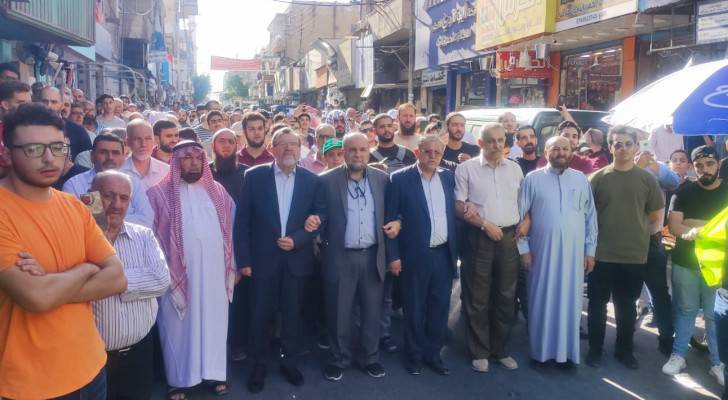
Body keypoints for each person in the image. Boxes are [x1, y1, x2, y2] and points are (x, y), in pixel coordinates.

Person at [0, 103, 126, 399]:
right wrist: (87, 268)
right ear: (7, 153)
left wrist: (50, 284)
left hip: (91, 369)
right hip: (30, 385)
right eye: (33, 149)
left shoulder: (73, 205)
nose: (49, 158)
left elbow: (117, 278)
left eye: (57, 147)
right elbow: (37, 298)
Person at [235, 127, 323, 394]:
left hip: (297, 260)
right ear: (272, 148)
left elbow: (319, 216)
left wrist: (298, 239)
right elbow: (242, 221)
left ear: (300, 148)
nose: (288, 149)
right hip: (262, 261)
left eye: (293, 144)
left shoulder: (312, 180)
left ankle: (289, 363)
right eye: (282, 144)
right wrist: (244, 260)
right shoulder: (254, 176)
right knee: (260, 316)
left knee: (292, 316)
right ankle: (258, 366)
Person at [147, 141, 236, 399]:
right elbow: (150, 235)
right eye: (187, 158)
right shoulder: (158, 194)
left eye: (198, 158)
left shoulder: (218, 191)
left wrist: (234, 266)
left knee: (214, 323)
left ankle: (214, 373)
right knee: (178, 327)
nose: (194, 163)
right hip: (177, 276)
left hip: (215, 275)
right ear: (176, 161)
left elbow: (232, 230)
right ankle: (178, 380)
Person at [587, 125, 665, 370]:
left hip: (633, 255)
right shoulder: (597, 178)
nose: (623, 149)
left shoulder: (646, 179)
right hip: (601, 254)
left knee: (626, 306)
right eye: (617, 144)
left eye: (628, 144)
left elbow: (656, 215)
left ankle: (624, 350)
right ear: (610, 147)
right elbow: (587, 216)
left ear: (636, 147)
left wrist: (640, 236)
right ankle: (595, 350)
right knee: (597, 305)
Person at [90, 170, 170, 400]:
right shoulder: (77, 239)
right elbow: (72, 286)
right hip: (93, 358)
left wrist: (107, 279)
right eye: (108, 196)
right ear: (92, 196)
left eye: (124, 198)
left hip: (139, 354)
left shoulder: (143, 236)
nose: (116, 205)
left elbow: (161, 280)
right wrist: (134, 280)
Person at [318, 132, 392, 381]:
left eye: (362, 150)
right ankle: (339, 359)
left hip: (372, 255)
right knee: (339, 312)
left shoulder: (382, 179)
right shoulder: (326, 181)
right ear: (344, 152)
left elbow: (393, 213)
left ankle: (370, 358)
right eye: (352, 150)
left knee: (372, 311)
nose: (357, 154)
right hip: (341, 255)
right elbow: (319, 215)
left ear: (368, 152)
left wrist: (398, 223)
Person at [518, 136, 598, 365]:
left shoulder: (581, 179)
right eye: (555, 149)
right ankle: (540, 353)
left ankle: (567, 354)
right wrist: (524, 249)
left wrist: (590, 250)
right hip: (541, 253)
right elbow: (520, 216)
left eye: (565, 148)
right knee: (541, 301)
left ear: (572, 151)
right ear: (546, 152)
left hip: (574, 255)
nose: (561, 152)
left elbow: (590, 217)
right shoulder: (532, 179)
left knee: (571, 303)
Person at [386, 135, 458, 376]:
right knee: (415, 308)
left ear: (442, 154)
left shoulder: (448, 178)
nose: (432, 156)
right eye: (428, 151)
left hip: (443, 254)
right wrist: (393, 256)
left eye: (437, 152)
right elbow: (391, 218)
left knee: (439, 309)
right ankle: (414, 355)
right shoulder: (399, 179)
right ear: (418, 152)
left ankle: (433, 355)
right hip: (414, 255)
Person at [455, 122, 524, 373]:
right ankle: (479, 351)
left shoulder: (514, 169)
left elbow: (523, 202)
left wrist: (524, 225)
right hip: (479, 236)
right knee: (477, 295)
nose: (496, 145)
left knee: (506, 295)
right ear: (480, 143)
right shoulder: (466, 168)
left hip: (509, 237)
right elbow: (459, 206)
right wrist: (484, 224)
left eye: (501, 140)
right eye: (491, 140)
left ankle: (500, 350)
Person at [662, 146, 728, 384]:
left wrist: (694, 227)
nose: (704, 169)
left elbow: (686, 226)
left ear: (718, 164)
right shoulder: (684, 191)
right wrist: (712, 229)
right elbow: (674, 226)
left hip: (718, 266)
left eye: (709, 164)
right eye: (699, 166)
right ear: (693, 167)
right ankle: (679, 355)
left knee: (713, 315)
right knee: (685, 310)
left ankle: (718, 362)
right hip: (685, 261)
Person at [63, 134, 155, 228]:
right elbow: (75, 221)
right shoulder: (74, 185)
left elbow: (147, 220)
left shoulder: (134, 183)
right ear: (92, 157)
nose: (110, 157)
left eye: (115, 153)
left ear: (123, 157)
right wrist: (121, 219)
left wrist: (104, 219)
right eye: (103, 152)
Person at [39, 86, 92, 162]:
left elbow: (88, 162)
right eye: (44, 101)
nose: (49, 105)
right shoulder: (28, 129)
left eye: (54, 102)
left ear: (61, 105)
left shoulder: (78, 131)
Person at [123, 119, 170, 191]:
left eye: (148, 139)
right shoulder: (117, 171)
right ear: (127, 142)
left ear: (154, 141)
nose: (143, 144)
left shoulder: (166, 171)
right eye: (137, 139)